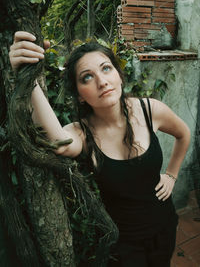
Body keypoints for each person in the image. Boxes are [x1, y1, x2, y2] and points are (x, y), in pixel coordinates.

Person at [9, 31, 190, 267]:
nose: (102, 81)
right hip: (124, 243)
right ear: (80, 95)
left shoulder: (150, 110)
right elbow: (58, 141)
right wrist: (27, 77)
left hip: (164, 226)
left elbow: (183, 133)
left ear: (119, 75)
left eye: (106, 69)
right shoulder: (82, 133)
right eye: (87, 77)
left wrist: (172, 175)